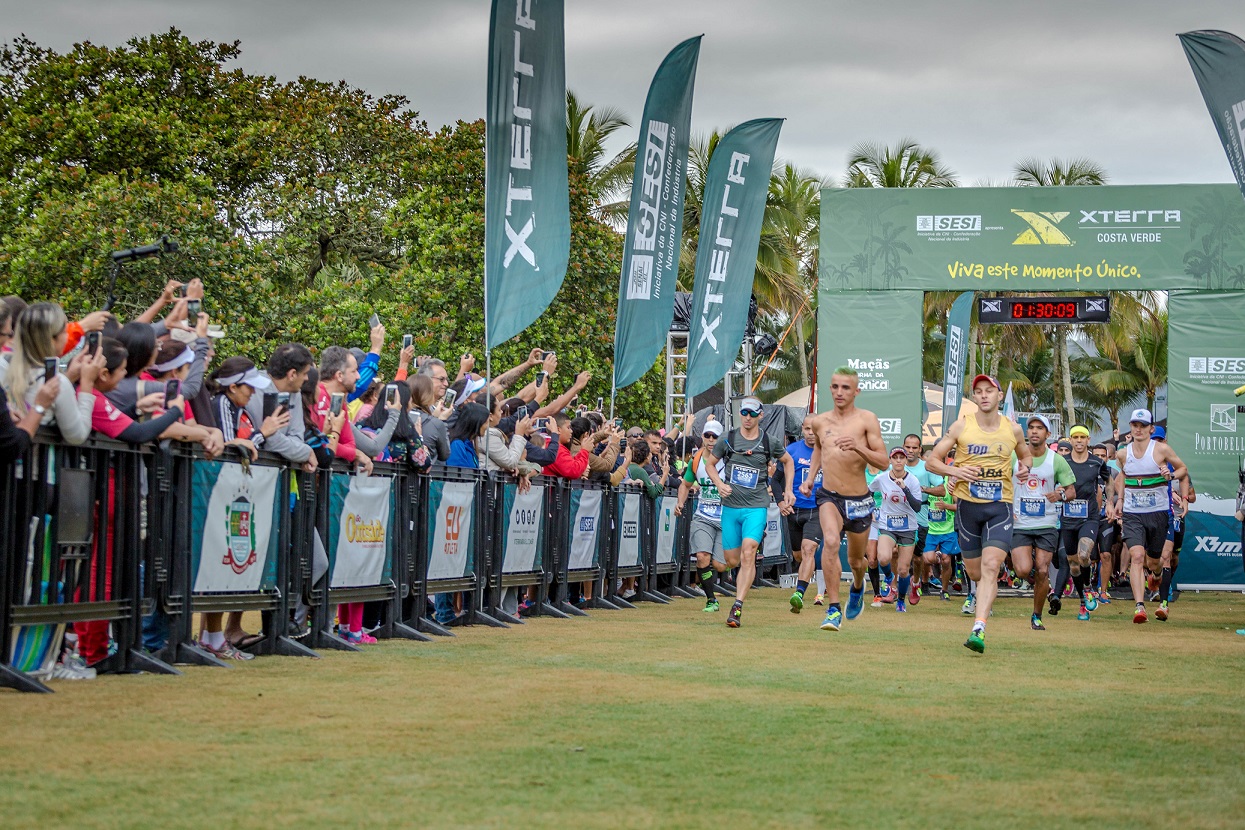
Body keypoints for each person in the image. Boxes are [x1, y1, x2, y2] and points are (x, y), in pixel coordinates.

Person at [926, 374, 1031, 654]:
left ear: (998, 396)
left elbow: (1026, 455)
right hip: (968, 508)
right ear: (974, 398)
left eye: (989, 391)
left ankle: (979, 626)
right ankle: (979, 605)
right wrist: (955, 471)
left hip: (1000, 507)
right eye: (978, 391)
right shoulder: (962, 426)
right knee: (975, 572)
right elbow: (932, 461)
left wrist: (1025, 467)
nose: (984, 395)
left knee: (990, 568)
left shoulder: (1013, 429)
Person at [799, 367, 889, 631]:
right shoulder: (820, 422)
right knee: (829, 541)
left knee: (856, 562)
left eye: (846, 387)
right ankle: (833, 609)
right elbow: (818, 449)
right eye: (835, 387)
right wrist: (810, 478)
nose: (839, 392)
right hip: (829, 496)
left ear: (856, 391)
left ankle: (859, 587)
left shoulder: (866, 420)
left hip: (859, 500)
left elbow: (883, 461)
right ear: (830, 388)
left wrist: (858, 447)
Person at [703, 397, 794, 628]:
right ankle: (738, 586)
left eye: (752, 413)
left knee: (748, 553)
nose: (748, 417)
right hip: (731, 506)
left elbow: (788, 461)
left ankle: (737, 605)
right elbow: (710, 465)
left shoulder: (768, 441)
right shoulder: (728, 438)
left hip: (756, 506)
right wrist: (719, 484)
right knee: (732, 561)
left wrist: (788, 491)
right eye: (744, 412)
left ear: (760, 416)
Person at [1105, 409, 1187, 624]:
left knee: (1155, 562)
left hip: (1158, 514)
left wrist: (1171, 475)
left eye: (1143, 425)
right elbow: (1122, 477)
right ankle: (1139, 607)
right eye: (1135, 425)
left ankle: (1157, 576)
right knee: (1137, 557)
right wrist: (1119, 500)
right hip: (1133, 515)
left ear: (1151, 428)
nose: (1139, 429)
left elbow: (1183, 469)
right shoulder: (1123, 454)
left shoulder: (1161, 450)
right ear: (1130, 428)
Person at [1010, 415, 1075, 631]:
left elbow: (1071, 491)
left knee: (1042, 570)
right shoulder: (1013, 457)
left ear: (1048, 434)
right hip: (1019, 523)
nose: (1034, 431)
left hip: (1046, 524)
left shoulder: (1056, 459)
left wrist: (1060, 496)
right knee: (1022, 570)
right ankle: (1044, 587)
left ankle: (1036, 616)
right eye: (1031, 428)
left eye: (1040, 428)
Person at [1053, 425, 1110, 621]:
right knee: (1074, 566)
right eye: (1075, 437)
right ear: (1070, 440)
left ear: (1088, 440)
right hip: (1068, 519)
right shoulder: (1062, 461)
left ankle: (1088, 588)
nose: (1078, 441)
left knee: (1084, 555)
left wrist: (1110, 503)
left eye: (1082, 437)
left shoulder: (1096, 462)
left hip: (1090, 517)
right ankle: (1082, 601)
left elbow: (1109, 481)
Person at [675, 419, 729, 613]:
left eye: (715, 436)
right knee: (702, 557)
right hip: (703, 515)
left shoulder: (728, 459)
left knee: (720, 565)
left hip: (726, 517)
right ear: (703, 437)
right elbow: (685, 485)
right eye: (707, 436)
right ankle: (711, 599)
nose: (711, 440)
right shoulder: (696, 460)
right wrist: (680, 503)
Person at [870, 446, 925, 612]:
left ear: (905, 460)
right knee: (883, 558)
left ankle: (901, 600)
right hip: (888, 524)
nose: (899, 461)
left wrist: (904, 489)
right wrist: (871, 509)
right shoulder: (881, 478)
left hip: (908, 527)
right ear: (890, 460)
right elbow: (869, 492)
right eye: (895, 458)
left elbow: (917, 507)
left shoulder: (913, 480)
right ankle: (888, 578)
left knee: (903, 570)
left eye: (902, 458)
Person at [785, 415, 826, 612]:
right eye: (808, 429)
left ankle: (798, 593)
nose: (811, 433)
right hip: (794, 509)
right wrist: (781, 499)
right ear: (802, 429)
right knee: (799, 554)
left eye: (814, 429)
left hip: (818, 509)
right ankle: (806, 576)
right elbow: (775, 480)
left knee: (809, 549)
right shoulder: (791, 451)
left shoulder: (828, 452)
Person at [902, 432, 943, 602]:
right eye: (907, 447)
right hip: (899, 514)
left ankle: (917, 582)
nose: (910, 451)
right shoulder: (895, 465)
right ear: (903, 447)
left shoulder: (926, 467)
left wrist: (924, 489)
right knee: (895, 551)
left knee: (918, 557)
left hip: (921, 516)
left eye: (914, 448)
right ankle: (894, 586)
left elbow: (942, 490)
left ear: (920, 449)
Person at [922, 448, 959, 602]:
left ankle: (944, 590)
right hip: (931, 529)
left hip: (948, 529)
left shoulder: (950, 484)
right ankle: (925, 580)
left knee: (947, 560)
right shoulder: (926, 482)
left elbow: (960, 507)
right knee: (927, 559)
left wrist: (946, 506)